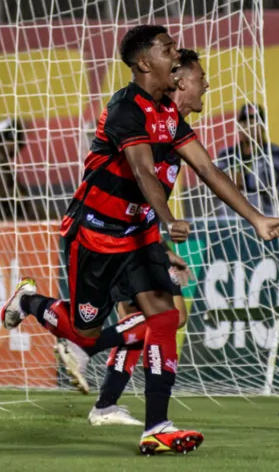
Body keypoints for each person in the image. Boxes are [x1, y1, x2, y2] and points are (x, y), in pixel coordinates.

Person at [0, 26, 279, 455]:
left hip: (138, 237)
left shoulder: (169, 117)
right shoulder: (125, 110)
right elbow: (142, 172)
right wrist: (169, 219)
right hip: (95, 234)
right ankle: (29, 304)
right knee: (84, 331)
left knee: (167, 317)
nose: (176, 54)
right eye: (167, 49)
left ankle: (157, 425)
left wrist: (255, 218)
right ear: (144, 63)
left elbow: (208, 170)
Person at [80, 48, 208, 427]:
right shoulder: (146, 125)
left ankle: (105, 403)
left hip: (142, 237)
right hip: (114, 236)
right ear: (180, 82)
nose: (207, 85)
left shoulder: (173, 131)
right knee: (163, 317)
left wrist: (164, 249)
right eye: (201, 79)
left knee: (159, 319)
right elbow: (137, 186)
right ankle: (85, 348)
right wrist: (162, 236)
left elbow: (148, 201)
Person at [217, 103, 279, 217]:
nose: (249, 126)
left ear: (263, 126)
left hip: (266, 219)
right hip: (230, 223)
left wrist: (237, 179)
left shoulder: (277, 154)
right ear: (239, 126)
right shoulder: (226, 154)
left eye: (254, 121)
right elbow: (217, 183)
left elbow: (263, 182)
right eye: (244, 121)